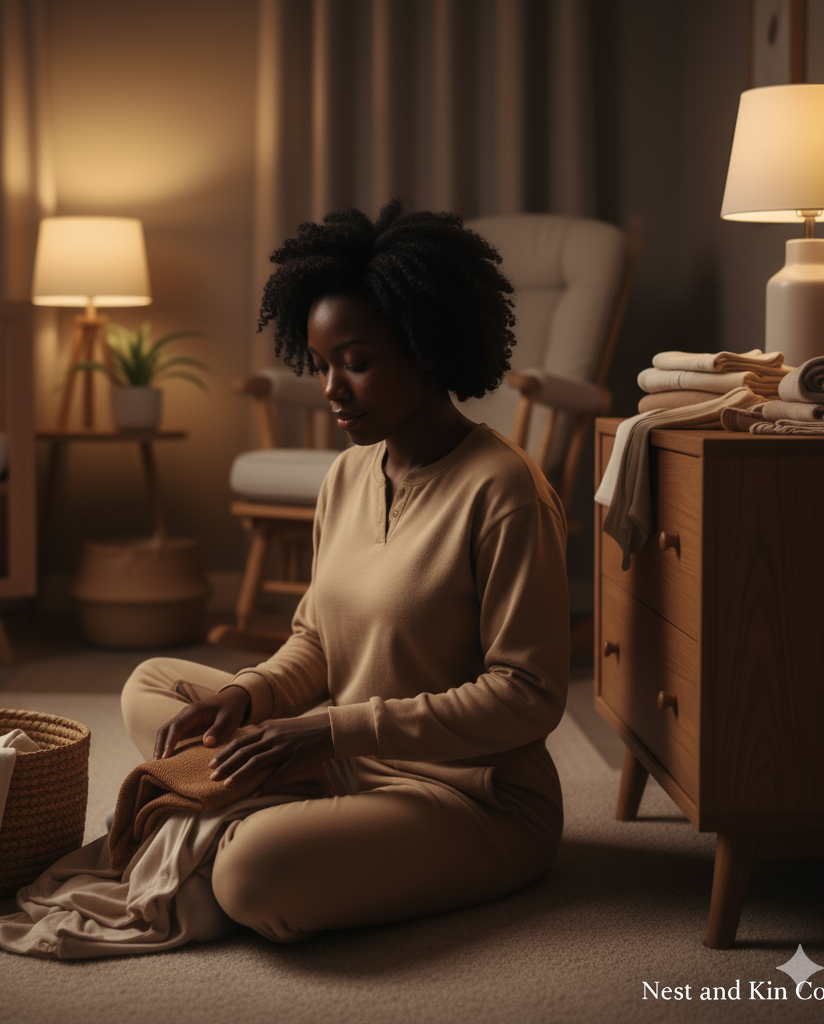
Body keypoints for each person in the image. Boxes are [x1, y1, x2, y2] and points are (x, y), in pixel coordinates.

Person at [120, 199, 569, 943]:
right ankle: (250, 821)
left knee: (249, 874)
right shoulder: (347, 475)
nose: (332, 387)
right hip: (336, 761)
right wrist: (246, 695)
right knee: (153, 689)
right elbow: (315, 644)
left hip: (465, 794)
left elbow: (526, 698)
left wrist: (330, 731)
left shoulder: (506, 489)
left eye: (356, 363)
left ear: (427, 349)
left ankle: (229, 836)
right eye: (323, 364)